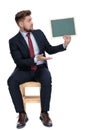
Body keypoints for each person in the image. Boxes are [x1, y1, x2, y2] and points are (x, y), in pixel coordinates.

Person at [7, 10, 71, 129]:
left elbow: (50, 49)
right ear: (21, 24)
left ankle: (44, 113)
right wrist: (36, 59)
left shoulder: (39, 33)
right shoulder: (13, 41)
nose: (32, 22)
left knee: (47, 78)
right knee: (11, 81)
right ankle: (22, 114)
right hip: (24, 70)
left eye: (31, 20)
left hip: (40, 69)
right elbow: (19, 62)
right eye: (29, 20)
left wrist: (64, 45)